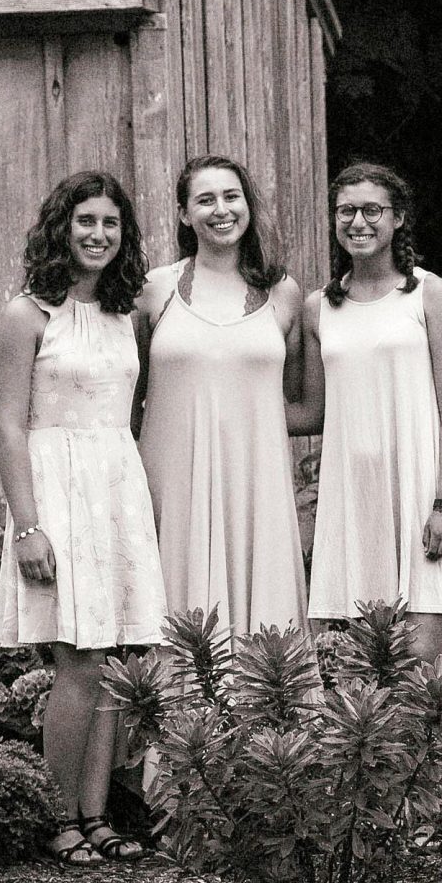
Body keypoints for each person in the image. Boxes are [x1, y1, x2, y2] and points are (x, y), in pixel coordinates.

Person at [0, 171, 164, 866]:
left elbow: (132, 411)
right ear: (61, 229)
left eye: (110, 224)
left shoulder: (130, 315)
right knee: (79, 663)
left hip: (116, 488)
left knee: (116, 661)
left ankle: (97, 817)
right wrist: (28, 526)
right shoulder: (26, 315)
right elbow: (6, 427)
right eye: (85, 221)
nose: (97, 234)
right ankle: (56, 817)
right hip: (54, 496)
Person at [298, 162, 442, 660]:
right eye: (346, 211)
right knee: (362, 674)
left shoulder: (429, 294)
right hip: (353, 499)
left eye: (372, 210)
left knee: (421, 666)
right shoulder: (318, 308)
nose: (358, 221)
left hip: (422, 492)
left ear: (398, 218)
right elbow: (312, 412)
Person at [137, 155, 310, 639]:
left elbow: (297, 402)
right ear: (183, 214)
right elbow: (128, 395)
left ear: (248, 205)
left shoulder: (284, 293)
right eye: (205, 199)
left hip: (256, 481)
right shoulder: (155, 289)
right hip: (171, 481)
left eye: (231, 196)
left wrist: (242, 429)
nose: (221, 210)